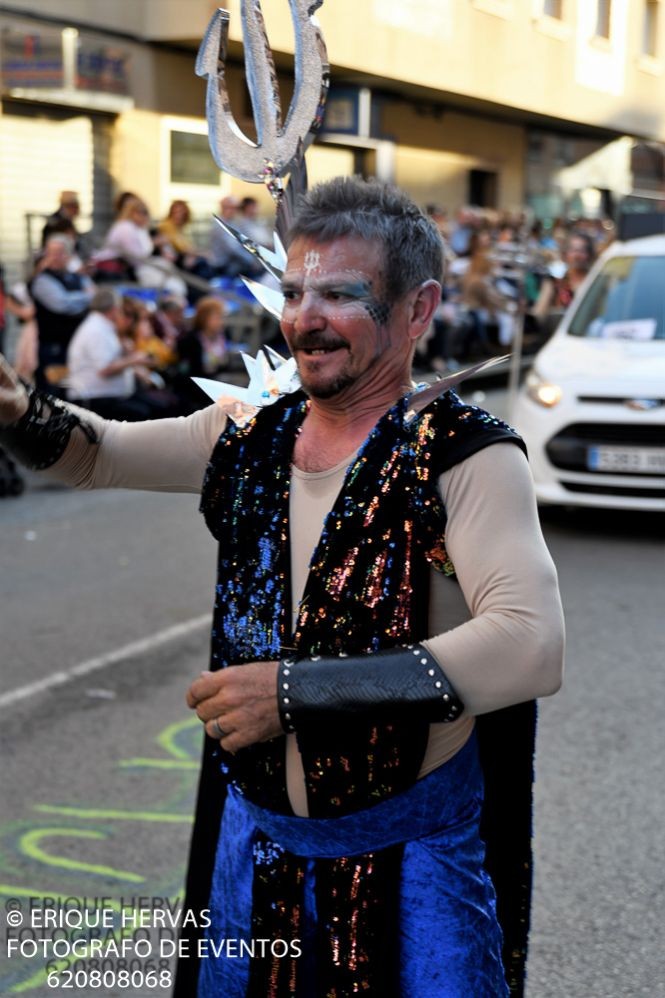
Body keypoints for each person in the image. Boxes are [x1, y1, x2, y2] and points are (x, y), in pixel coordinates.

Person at [0, 177, 564, 998]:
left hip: (412, 863)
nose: (303, 317)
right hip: (252, 853)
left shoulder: (465, 454)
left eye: (340, 293)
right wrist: (16, 408)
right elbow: (93, 454)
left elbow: (531, 642)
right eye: (294, 290)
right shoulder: (250, 432)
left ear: (417, 310)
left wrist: (295, 694)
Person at [66, 288, 172, 421]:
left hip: (106, 396)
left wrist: (127, 353)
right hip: (94, 398)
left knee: (160, 407)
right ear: (113, 309)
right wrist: (134, 359)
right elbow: (104, 369)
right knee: (147, 413)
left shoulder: (101, 327)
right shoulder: (96, 330)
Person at [30, 235, 95, 391]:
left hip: (77, 346)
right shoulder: (42, 280)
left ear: (69, 255)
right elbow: (62, 304)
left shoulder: (77, 277)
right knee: (53, 394)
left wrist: (80, 299)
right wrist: (85, 297)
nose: (54, 257)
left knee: (74, 392)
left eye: (60, 252)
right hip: (54, 350)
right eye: (50, 252)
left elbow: (94, 297)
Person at [208, 196, 263, 278]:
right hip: (223, 265)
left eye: (236, 208)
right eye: (231, 208)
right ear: (223, 208)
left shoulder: (231, 222)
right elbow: (233, 249)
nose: (235, 211)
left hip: (233, 262)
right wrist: (252, 261)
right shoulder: (220, 225)